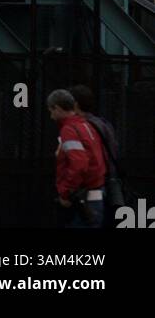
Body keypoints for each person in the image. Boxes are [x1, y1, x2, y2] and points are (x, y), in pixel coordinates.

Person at [47, 88, 106, 229]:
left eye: (51, 110)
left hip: (82, 196)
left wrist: (66, 192)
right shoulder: (87, 126)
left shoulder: (69, 130)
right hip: (95, 192)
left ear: (58, 108)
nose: (51, 115)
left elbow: (79, 163)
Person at [71, 84, 124, 225]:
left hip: (88, 189)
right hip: (106, 185)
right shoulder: (103, 124)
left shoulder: (79, 127)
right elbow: (114, 152)